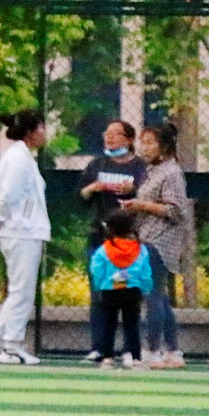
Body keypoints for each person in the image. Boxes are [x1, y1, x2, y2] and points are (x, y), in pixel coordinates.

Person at [0, 108, 50, 366]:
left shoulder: (22, 157)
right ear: (32, 132)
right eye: (42, 128)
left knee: (18, 291)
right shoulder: (19, 159)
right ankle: (12, 347)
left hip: (24, 230)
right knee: (22, 292)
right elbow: (9, 195)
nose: (45, 133)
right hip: (21, 232)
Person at [77, 120, 147, 361]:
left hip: (130, 239)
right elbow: (81, 194)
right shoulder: (97, 164)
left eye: (116, 134)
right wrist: (94, 187)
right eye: (107, 134)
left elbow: (146, 192)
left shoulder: (140, 166)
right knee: (100, 292)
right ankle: (100, 347)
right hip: (100, 237)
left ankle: (131, 349)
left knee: (129, 293)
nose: (109, 138)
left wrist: (133, 189)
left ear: (129, 139)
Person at [124, 123, 192, 369]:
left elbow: (175, 210)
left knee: (152, 295)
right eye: (143, 142)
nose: (144, 147)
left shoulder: (171, 173)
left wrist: (140, 205)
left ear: (164, 146)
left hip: (159, 241)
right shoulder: (154, 171)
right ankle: (173, 351)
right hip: (148, 237)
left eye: (150, 142)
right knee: (160, 297)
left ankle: (151, 350)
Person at [88, 211, 155, 368]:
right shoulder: (140, 249)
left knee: (108, 324)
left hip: (109, 289)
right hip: (132, 290)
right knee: (132, 324)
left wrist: (100, 284)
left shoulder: (104, 249)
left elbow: (96, 268)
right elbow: (146, 272)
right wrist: (146, 288)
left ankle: (107, 357)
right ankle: (136, 358)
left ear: (110, 229)